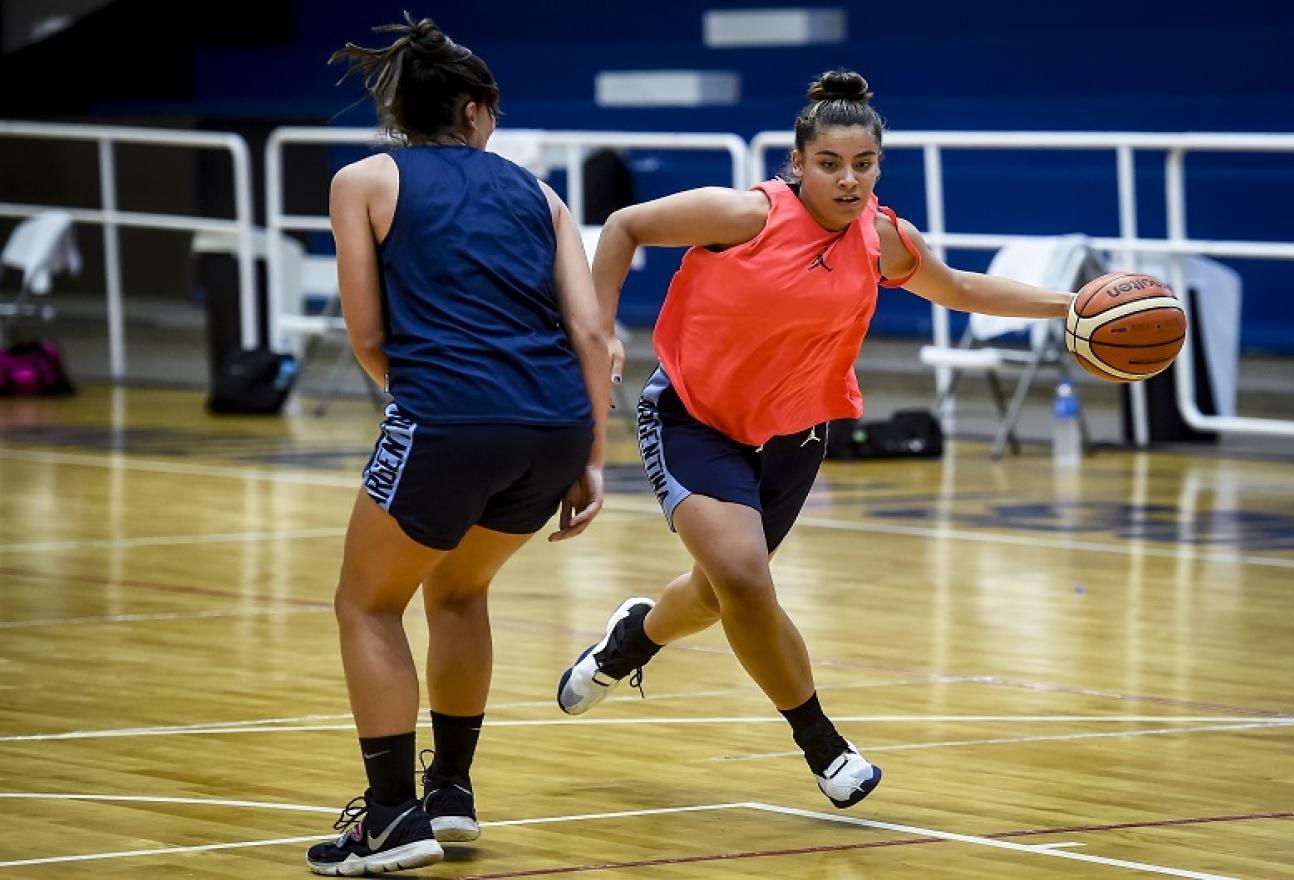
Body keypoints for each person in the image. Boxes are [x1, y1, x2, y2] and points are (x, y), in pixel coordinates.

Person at [557, 70, 1075, 808]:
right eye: (830, 164)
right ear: (798, 165)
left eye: (863, 165)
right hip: (692, 418)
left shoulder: (884, 239)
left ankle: (633, 638)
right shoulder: (745, 215)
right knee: (742, 578)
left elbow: (958, 288)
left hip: (795, 438)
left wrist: (1072, 305)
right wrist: (601, 331)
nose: (848, 180)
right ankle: (823, 745)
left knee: (717, 593)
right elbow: (624, 226)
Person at [307, 13, 610, 876]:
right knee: (458, 590)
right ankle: (453, 793)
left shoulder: (363, 180)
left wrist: (427, 403)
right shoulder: (542, 196)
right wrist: (591, 457)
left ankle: (395, 819)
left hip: (447, 414)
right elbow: (591, 334)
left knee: (366, 603)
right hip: (553, 425)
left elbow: (367, 332)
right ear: (475, 111)